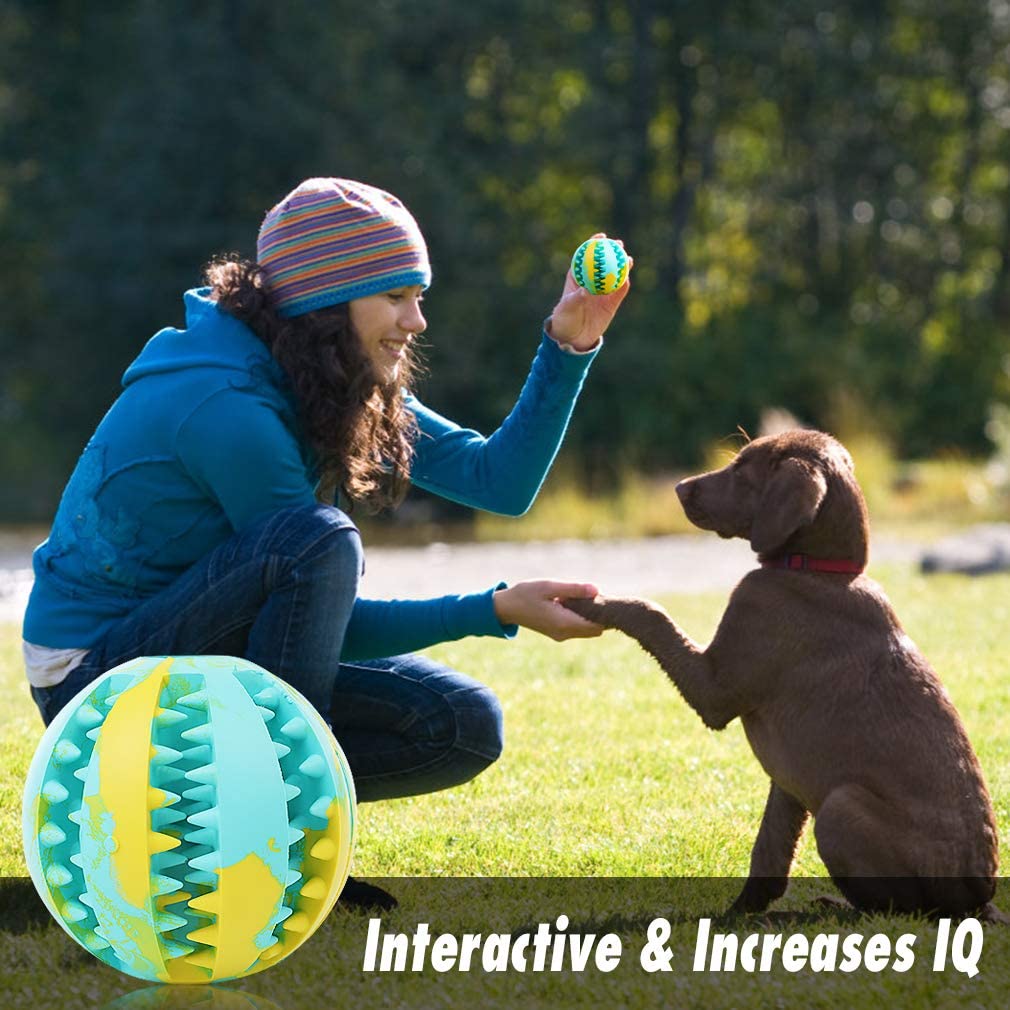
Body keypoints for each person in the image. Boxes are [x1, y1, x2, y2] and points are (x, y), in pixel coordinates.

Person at [22, 177, 630, 904]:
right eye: (397, 296)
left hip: (186, 658)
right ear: (325, 304)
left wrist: (572, 339)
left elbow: (497, 480)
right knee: (318, 542)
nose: (418, 320)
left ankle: (195, 834)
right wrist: (491, 609)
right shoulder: (227, 405)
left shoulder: (326, 373)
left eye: (418, 293)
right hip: (92, 683)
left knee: (461, 725)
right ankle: (269, 848)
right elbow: (326, 612)